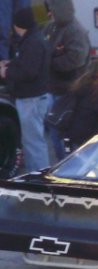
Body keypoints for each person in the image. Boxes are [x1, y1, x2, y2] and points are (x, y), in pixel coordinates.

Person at [0, 7, 50, 172]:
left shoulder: (32, 43)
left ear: (18, 25)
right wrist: (11, 64)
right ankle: (36, 176)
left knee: (34, 143)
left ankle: (40, 179)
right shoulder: (33, 39)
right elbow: (26, 64)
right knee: (32, 142)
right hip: (32, 97)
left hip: (31, 98)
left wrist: (6, 72)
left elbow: (28, 71)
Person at [43, 0, 91, 161]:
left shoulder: (75, 31)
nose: (49, 13)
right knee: (53, 131)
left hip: (68, 90)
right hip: (53, 88)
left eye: (52, 10)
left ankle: (69, 166)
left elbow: (76, 59)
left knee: (63, 133)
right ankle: (61, 163)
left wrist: (50, 62)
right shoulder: (52, 27)